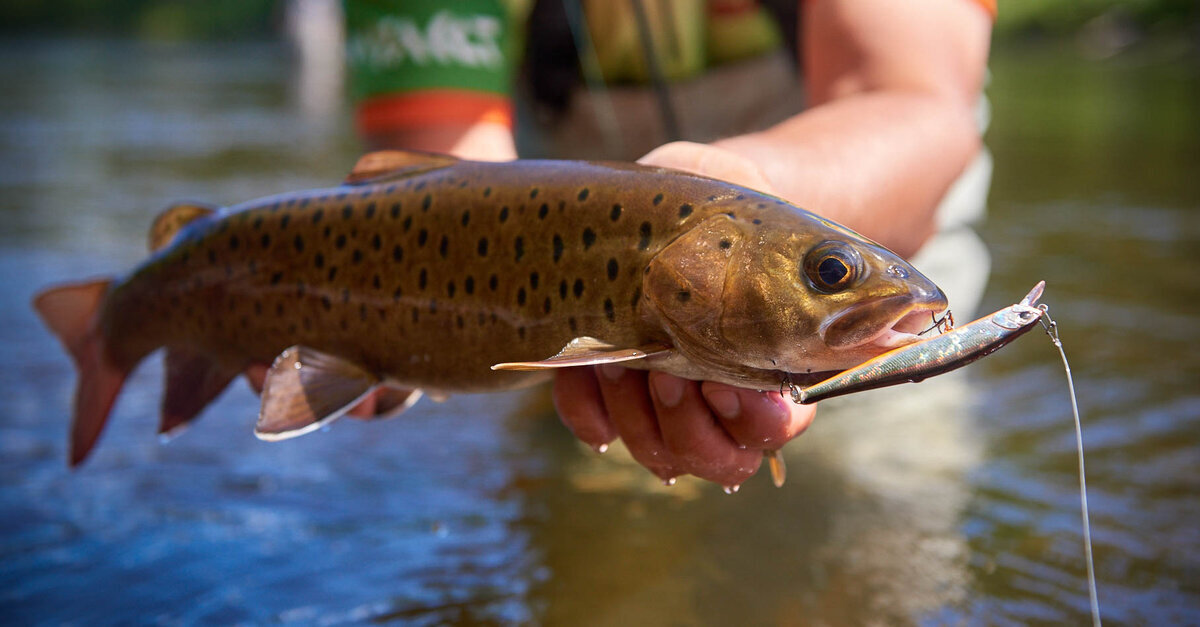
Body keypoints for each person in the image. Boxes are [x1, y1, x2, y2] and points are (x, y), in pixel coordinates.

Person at [339, 0, 994, 488]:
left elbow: (917, 102)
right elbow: (445, 195)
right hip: (573, 311)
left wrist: (756, 194)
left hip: (865, 201)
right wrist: (376, 340)